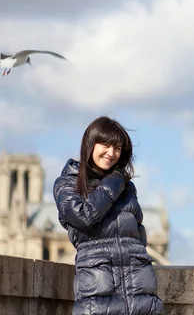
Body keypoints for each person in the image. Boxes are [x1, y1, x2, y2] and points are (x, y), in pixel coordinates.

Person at [53, 116, 164, 315]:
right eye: (105, 145)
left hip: (140, 295)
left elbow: (138, 235)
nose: (111, 153)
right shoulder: (68, 184)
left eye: (117, 148)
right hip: (98, 296)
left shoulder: (127, 187)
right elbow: (83, 217)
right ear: (90, 144)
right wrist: (113, 182)